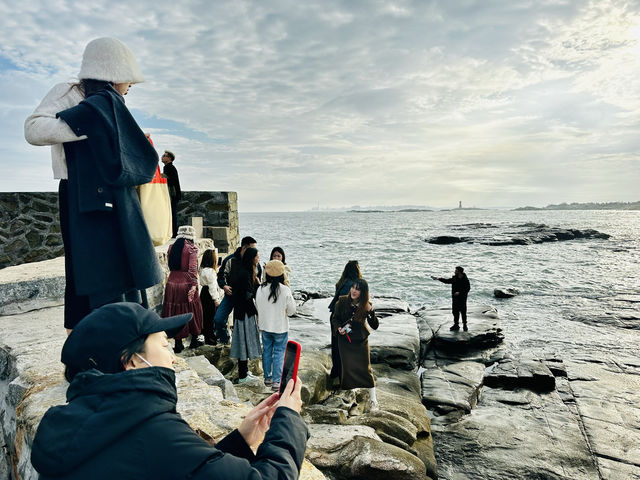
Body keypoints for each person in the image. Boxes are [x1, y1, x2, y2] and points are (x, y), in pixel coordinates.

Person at [30, 302, 308, 480]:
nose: (173, 358)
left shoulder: (74, 424)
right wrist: (288, 418)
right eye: (164, 345)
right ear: (133, 362)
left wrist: (240, 440)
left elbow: (182, 469)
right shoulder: (151, 430)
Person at [24, 37, 162, 333]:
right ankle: (93, 340)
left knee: (121, 269)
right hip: (78, 194)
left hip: (113, 193)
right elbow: (32, 129)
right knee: (90, 273)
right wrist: (88, 127)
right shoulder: (70, 92)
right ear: (112, 71)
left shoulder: (113, 103)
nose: (130, 86)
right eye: (128, 79)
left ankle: (126, 336)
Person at [330, 278, 379, 411]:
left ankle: (373, 399)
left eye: (357, 289)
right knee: (348, 367)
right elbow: (335, 319)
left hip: (361, 340)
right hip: (344, 340)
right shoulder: (342, 301)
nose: (354, 291)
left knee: (365, 368)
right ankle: (351, 391)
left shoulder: (366, 305)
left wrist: (371, 312)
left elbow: (375, 325)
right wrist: (338, 328)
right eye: (353, 287)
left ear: (363, 292)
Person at [255, 260, 296, 391]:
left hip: (265, 326)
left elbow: (258, 307)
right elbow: (291, 311)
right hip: (280, 327)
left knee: (267, 351)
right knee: (279, 353)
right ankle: (277, 381)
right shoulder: (285, 290)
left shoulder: (260, 289)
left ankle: (267, 378)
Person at [162, 225, 204, 353]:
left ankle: (178, 343)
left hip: (172, 281)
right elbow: (192, 269)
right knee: (192, 310)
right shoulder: (192, 248)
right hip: (186, 282)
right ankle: (195, 339)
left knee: (175, 311)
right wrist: (194, 284)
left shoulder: (171, 247)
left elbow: (170, 265)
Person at [214, 236, 262, 343]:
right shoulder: (230, 260)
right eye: (252, 249)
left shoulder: (256, 265)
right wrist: (224, 286)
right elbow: (221, 275)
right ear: (244, 248)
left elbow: (257, 283)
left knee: (242, 324)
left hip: (246, 300)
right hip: (231, 295)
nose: (254, 252)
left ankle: (245, 346)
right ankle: (225, 340)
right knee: (219, 319)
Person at [229, 247, 262, 383]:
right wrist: (259, 288)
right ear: (252, 258)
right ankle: (243, 376)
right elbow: (248, 295)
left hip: (242, 311)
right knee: (243, 342)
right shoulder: (245, 274)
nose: (258, 258)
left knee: (244, 342)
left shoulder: (245, 272)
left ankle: (245, 372)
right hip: (244, 313)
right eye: (257, 256)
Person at [327, 260, 362, 379]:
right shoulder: (353, 285)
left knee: (335, 345)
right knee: (345, 346)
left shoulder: (342, 282)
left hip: (334, 317)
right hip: (343, 317)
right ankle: (343, 373)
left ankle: (335, 371)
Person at [431, 266, 471, 331]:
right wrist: (438, 279)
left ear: (459, 272)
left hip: (462, 299)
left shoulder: (465, 279)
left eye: (456, 270)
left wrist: (459, 293)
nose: (454, 271)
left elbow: (468, 288)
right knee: (455, 312)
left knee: (463, 312)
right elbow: (447, 281)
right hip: (455, 299)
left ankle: (465, 325)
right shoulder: (454, 278)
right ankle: (456, 325)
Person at [199, 249, 222, 345]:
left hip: (203, 292)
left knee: (205, 316)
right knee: (211, 316)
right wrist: (216, 299)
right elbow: (212, 287)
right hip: (209, 294)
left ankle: (206, 335)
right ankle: (211, 337)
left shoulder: (202, 269)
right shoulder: (211, 272)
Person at [161, 150, 181, 238]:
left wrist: (160, 176)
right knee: (172, 213)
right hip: (174, 194)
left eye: (164, 155)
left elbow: (170, 181)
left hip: (173, 195)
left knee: (172, 213)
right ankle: (173, 232)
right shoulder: (169, 167)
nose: (162, 157)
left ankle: (174, 233)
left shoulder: (169, 167)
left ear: (169, 158)